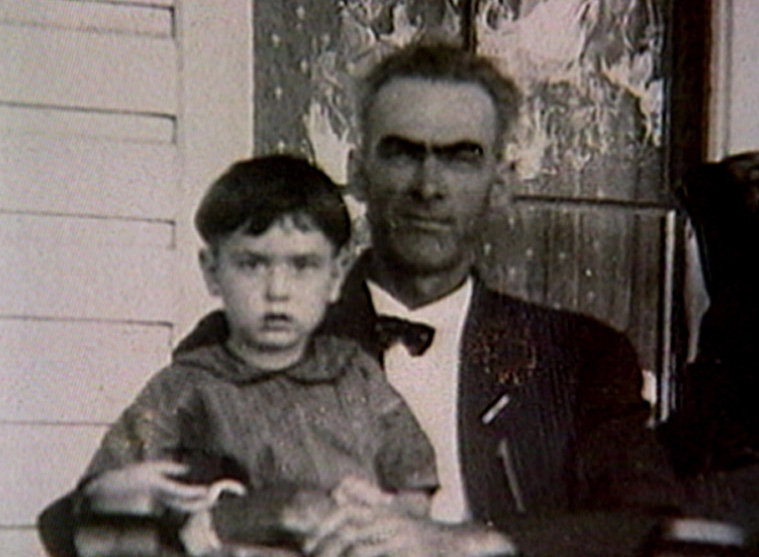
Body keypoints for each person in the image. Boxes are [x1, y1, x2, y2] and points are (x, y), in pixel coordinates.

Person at [176, 43, 680, 556]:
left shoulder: (580, 359)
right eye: (402, 153)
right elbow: (169, 506)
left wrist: (466, 543)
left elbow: (646, 525)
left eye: (461, 158)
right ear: (357, 173)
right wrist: (270, 511)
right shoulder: (239, 341)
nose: (429, 187)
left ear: (501, 183)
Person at [40, 155, 439, 556]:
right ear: (212, 271)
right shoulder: (187, 386)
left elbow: (413, 486)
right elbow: (100, 498)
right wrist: (114, 492)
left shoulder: (356, 376)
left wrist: (390, 515)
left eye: (303, 265)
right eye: (251, 264)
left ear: (336, 275)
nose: (277, 290)